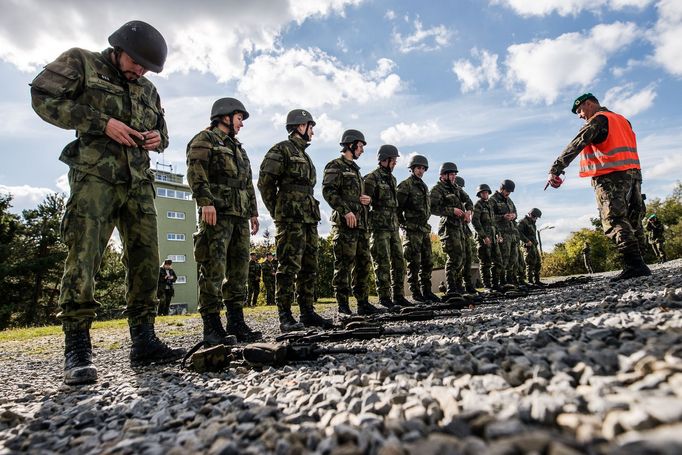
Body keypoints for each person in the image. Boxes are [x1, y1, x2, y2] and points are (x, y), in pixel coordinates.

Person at [30, 20, 185, 385]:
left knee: (147, 259)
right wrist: (101, 123)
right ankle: (78, 348)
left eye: (148, 67)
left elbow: (164, 134)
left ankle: (144, 341)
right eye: (136, 62)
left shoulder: (148, 89)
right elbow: (42, 96)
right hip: (95, 177)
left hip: (139, 182)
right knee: (84, 257)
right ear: (118, 48)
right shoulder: (82, 62)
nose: (141, 70)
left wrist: (154, 139)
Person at [547, 93, 650, 281]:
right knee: (633, 217)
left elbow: (578, 142)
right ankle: (640, 262)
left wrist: (556, 168)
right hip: (633, 174)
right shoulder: (622, 120)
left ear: (589, 104)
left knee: (614, 219)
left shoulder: (599, 119)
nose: (579, 115)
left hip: (610, 176)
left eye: (580, 110)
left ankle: (634, 264)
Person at [186, 97, 262, 344]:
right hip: (216, 213)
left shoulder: (239, 148)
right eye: (240, 118)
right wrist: (205, 201)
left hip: (239, 215)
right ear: (225, 116)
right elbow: (196, 171)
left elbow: (246, 183)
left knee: (239, 270)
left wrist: (253, 211)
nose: (242, 123)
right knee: (213, 269)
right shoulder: (204, 140)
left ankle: (236, 322)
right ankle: (212, 327)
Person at [258, 109, 333, 332]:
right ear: (301, 126)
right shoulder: (281, 150)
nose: (313, 131)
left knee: (310, 266)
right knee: (288, 265)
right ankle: (285, 315)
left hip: (309, 217)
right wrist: (278, 211)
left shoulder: (305, 155)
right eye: (311, 126)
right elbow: (265, 183)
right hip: (290, 217)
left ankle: (307, 312)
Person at [322, 130, 379, 315]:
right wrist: (345, 211)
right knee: (344, 265)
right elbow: (329, 191)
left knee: (363, 265)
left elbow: (355, 195)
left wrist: (366, 200)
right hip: (345, 226)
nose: (362, 150)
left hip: (361, 225)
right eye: (361, 146)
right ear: (351, 145)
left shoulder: (356, 170)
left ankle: (362, 303)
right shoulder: (335, 165)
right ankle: (343, 306)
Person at [364, 145, 411, 308]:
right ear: (385, 159)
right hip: (379, 228)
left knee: (399, 262)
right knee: (382, 262)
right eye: (394, 160)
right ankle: (384, 297)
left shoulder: (392, 179)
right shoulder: (371, 178)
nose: (395, 163)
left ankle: (398, 296)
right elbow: (365, 203)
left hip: (393, 227)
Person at [397, 155, 440, 303]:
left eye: (423, 168)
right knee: (413, 262)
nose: (421, 171)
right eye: (418, 168)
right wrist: (404, 225)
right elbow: (398, 209)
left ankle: (427, 291)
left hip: (424, 230)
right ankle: (416, 293)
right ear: (412, 169)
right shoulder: (405, 185)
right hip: (412, 230)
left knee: (427, 261)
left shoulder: (424, 186)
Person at [430, 162, 473, 298]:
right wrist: (451, 210)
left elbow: (468, 200)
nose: (454, 176)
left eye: (455, 174)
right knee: (455, 257)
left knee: (463, 257)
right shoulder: (437, 189)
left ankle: (459, 288)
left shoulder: (456, 188)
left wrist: (469, 212)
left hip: (460, 227)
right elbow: (432, 208)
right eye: (451, 174)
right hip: (449, 227)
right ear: (443, 175)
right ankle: (451, 288)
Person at [472, 184, 502, 290]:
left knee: (498, 261)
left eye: (486, 192)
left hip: (493, 238)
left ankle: (495, 284)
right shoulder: (478, 205)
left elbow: (493, 222)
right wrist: (484, 237)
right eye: (482, 192)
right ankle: (487, 286)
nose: (485, 194)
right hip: (484, 239)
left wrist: (499, 234)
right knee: (486, 263)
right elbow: (475, 222)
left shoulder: (490, 205)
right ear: (479, 194)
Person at [490, 180, 519, 288]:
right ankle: (500, 282)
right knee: (503, 259)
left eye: (510, 192)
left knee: (513, 258)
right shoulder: (493, 200)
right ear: (501, 188)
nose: (508, 193)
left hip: (512, 233)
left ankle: (510, 281)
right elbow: (489, 217)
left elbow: (516, 212)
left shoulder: (509, 200)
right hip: (501, 234)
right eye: (507, 191)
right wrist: (502, 217)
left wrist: (513, 216)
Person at [454, 176, 477, 294]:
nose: (460, 189)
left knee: (468, 258)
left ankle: (468, 285)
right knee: (458, 259)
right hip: (454, 230)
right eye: (459, 187)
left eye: (461, 188)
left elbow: (470, 203)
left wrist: (469, 212)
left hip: (464, 230)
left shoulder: (462, 197)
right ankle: (457, 286)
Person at [518, 209, 544, 286]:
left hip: (534, 245)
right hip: (528, 246)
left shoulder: (533, 223)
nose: (536, 219)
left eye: (536, 217)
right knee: (530, 263)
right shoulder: (523, 222)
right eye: (535, 217)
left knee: (538, 263)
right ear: (531, 215)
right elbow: (518, 232)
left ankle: (537, 280)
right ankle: (530, 281)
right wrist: (526, 241)